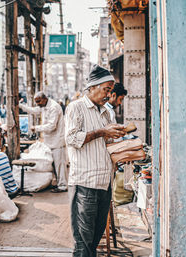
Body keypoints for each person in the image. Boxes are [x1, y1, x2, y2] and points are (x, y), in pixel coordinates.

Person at [65, 64, 126, 257]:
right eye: (105, 90)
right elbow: (72, 139)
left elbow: (105, 143)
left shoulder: (107, 112)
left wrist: (116, 136)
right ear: (92, 87)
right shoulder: (76, 108)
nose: (108, 95)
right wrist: (102, 132)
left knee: (94, 240)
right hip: (84, 183)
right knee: (83, 243)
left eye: (110, 91)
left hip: (103, 184)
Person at [19, 91, 68, 192]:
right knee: (53, 165)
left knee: (60, 166)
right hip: (49, 141)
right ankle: (58, 183)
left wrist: (36, 128)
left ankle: (63, 186)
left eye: (38, 101)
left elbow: (51, 126)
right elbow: (34, 110)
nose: (37, 104)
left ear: (44, 99)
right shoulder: (44, 106)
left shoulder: (54, 107)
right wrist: (20, 105)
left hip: (57, 141)